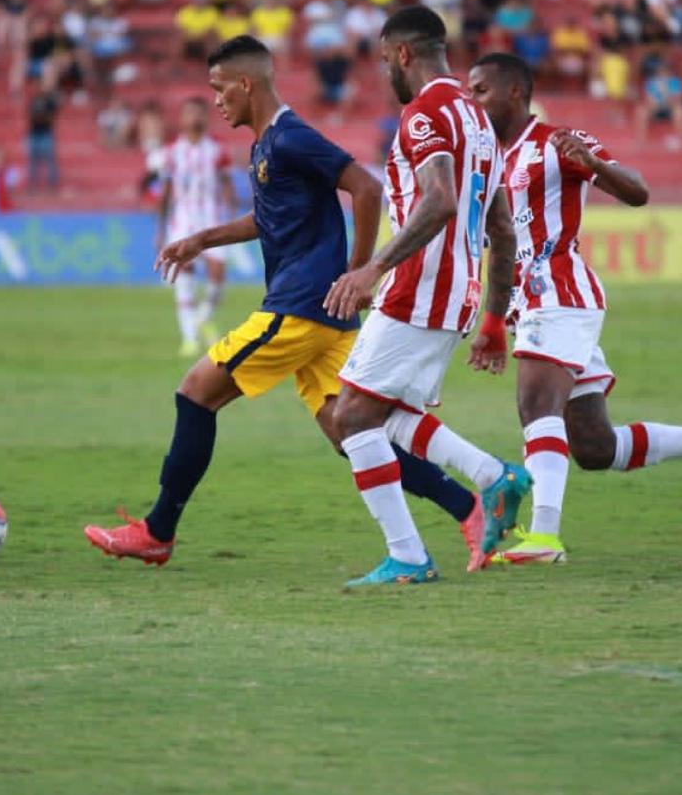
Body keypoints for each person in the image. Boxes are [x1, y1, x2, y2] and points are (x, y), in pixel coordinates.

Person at [84, 35, 489, 569]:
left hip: (300, 306)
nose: (216, 100)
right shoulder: (266, 147)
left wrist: (357, 272)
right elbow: (270, 220)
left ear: (246, 84)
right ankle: (469, 507)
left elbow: (365, 189)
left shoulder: (292, 137)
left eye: (219, 88)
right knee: (351, 430)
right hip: (319, 312)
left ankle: (158, 531)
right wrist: (201, 239)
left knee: (196, 393)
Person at [465, 53, 682, 566]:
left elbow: (638, 191)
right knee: (594, 447)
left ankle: (544, 536)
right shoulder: (488, 155)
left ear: (515, 92)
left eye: (481, 91)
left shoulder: (556, 143)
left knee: (536, 405)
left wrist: (595, 163)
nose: (472, 100)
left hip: (560, 293)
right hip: (528, 304)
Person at [322, 6, 533, 587]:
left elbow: (438, 198)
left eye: (385, 60)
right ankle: (491, 477)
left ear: (403, 54)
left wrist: (373, 268)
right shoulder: (479, 121)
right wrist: (492, 316)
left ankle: (411, 554)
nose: (385, 71)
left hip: (419, 287)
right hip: (456, 293)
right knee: (384, 416)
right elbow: (504, 228)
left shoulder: (423, 114)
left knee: (350, 419)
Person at [159, 97, 235, 357]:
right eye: (189, 113)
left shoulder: (217, 150)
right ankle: (189, 339)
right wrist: (161, 228)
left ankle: (202, 319)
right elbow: (166, 191)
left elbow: (226, 184)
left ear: (206, 117)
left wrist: (233, 213)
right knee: (184, 277)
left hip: (211, 219)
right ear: (181, 118)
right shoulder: (171, 152)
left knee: (218, 275)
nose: (194, 118)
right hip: (182, 221)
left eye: (199, 113)